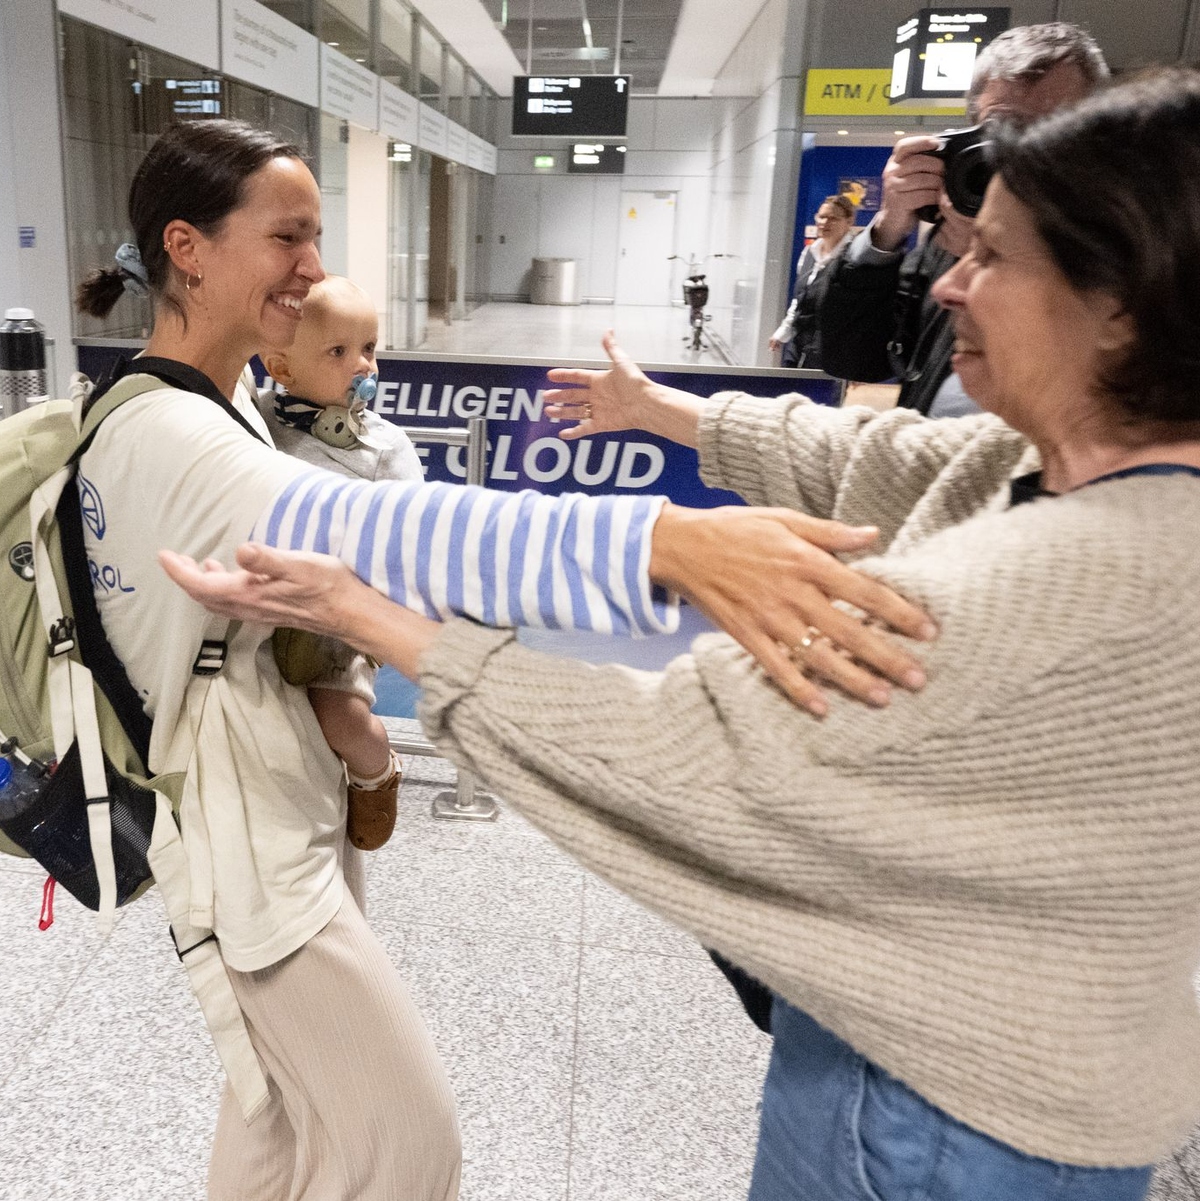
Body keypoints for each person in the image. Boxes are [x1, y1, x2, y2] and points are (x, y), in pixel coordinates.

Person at [166, 68, 1200, 1201]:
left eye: (996, 257)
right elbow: (873, 462)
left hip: (945, 1117)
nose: (951, 283)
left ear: (1123, 304)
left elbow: (685, 751)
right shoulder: (1059, 472)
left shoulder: (1073, 575)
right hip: (986, 1054)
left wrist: (370, 614)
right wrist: (665, 414)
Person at [77, 118, 936, 1200]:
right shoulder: (168, 432)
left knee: (278, 1114)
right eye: (287, 237)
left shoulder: (233, 398)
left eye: (318, 236)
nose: (315, 268)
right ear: (189, 248)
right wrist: (669, 543)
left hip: (289, 794)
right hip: (242, 840)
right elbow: (404, 539)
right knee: (409, 1141)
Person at [818, 22, 1108, 416]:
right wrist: (888, 231)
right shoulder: (948, 234)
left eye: (1054, 133)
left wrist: (999, 254)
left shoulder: (1137, 255)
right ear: (971, 135)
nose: (1022, 157)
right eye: (1003, 132)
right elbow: (855, 360)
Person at [258, 274, 420, 850]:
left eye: (370, 348)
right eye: (339, 351)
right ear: (280, 369)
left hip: (337, 623)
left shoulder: (384, 449)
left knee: (337, 716)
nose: (364, 366)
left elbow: (407, 539)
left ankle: (377, 768)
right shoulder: (255, 422)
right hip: (263, 609)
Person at [767, 194, 855, 368]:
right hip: (799, 343)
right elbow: (799, 301)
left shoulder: (853, 258)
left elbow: (858, 312)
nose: (824, 222)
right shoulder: (808, 252)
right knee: (789, 392)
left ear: (849, 221)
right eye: (821, 217)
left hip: (831, 349)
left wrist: (856, 357)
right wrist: (782, 333)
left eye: (833, 218)